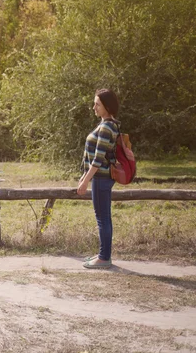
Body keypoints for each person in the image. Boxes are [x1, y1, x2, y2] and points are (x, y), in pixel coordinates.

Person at [77, 89, 120, 269]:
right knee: (104, 217)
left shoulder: (106, 128)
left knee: (102, 218)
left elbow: (98, 159)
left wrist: (86, 180)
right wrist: (84, 176)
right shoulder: (109, 125)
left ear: (107, 107)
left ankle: (104, 258)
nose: (93, 107)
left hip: (100, 178)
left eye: (97, 104)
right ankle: (104, 255)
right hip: (101, 178)